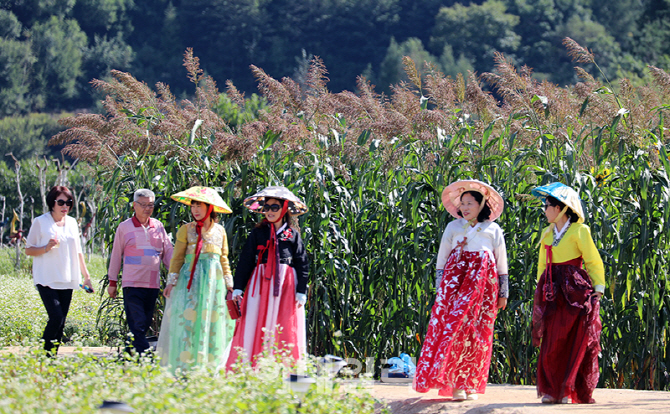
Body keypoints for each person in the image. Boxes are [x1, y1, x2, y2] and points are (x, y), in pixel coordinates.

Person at [413, 179, 508, 401]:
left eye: (470, 203)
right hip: (454, 289)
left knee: (477, 335)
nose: (465, 208)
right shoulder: (453, 227)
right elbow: (442, 260)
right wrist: (441, 291)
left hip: (483, 290)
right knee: (453, 331)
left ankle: (469, 383)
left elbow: (501, 263)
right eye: (462, 203)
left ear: (482, 205)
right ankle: (454, 384)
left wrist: (503, 294)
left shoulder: (493, 229)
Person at [531, 182, 604, 404]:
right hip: (552, 290)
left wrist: (599, 286)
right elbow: (542, 265)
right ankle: (552, 389)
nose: (545, 210)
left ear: (561, 208)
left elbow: (592, 259)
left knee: (573, 338)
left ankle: (568, 390)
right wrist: (541, 289)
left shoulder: (580, 231)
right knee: (552, 340)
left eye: (548, 205)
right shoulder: (546, 233)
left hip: (574, 290)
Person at [226, 186, 309, 369]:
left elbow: (302, 263)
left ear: (284, 209)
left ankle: (282, 366)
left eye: (275, 207)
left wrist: (301, 290)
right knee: (257, 319)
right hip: (261, 282)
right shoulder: (258, 233)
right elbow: (246, 259)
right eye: (267, 207)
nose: (270, 211)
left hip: (286, 284)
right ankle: (254, 364)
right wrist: (239, 286)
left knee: (283, 322)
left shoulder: (293, 235)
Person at [156, 186, 234, 373]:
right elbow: (177, 258)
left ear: (210, 208)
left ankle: (209, 367)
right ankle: (185, 366)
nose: (195, 210)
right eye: (193, 206)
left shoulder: (220, 231)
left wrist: (229, 284)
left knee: (211, 321)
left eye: (199, 206)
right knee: (188, 321)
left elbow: (224, 258)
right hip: (190, 283)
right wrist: (171, 282)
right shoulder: (186, 230)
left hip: (213, 285)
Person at [25, 186, 94, 355]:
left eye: (69, 202)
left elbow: (78, 251)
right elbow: (28, 250)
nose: (65, 206)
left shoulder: (71, 222)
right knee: (56, 317)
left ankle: (52, 358)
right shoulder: (40, 222)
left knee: (61, 322)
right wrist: (45, 248)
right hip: (46, 278)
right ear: (52, 203)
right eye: (61, 202)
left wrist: (86, 276)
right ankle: (45, 355)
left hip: (68, 278)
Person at [107, 189, 173, 355]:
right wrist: (112, 282)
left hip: (152, 285)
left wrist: (175, 276)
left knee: (141, 326)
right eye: (143, 205)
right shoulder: (124, 228)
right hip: (132, 284)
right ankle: (146, 357)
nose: (147, 208)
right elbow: (116, 255)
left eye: (150, 205)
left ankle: (129, 357)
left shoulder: (158, 227)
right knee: (137, 323)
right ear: (134, 206)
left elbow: (168, 254)